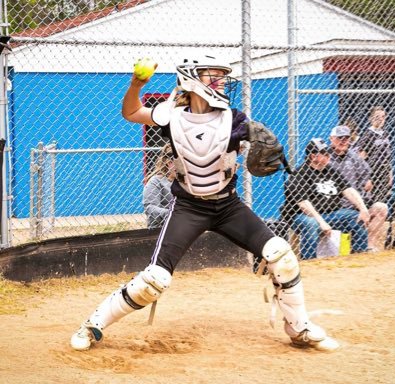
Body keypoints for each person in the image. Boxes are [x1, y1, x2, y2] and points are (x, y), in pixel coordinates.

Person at [70, 55, 338, 352]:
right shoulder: (171, 115)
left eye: (222, 76)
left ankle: (298, 327)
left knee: (281, 256)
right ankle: (93, 324)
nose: (221, 81)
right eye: (214, 75)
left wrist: (264, 147)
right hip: (188, 207)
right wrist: (136, 84)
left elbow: (262, 148)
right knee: (154, 279)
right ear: (191, 80)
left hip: (228, 206)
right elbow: (131, 112)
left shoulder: (234, 119)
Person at [281, 138, 370, 260]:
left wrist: (363, 208)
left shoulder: (331, 171)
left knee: (356, 217)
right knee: (311, 224)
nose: (329, 156)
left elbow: (348, 190)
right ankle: (310, 262)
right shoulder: (299, 174)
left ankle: (360, 257)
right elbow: (303, 205)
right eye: (325, 153)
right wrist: (321, 222)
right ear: (313, 156)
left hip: (331, 214)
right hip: (302, 216)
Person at [329, 125, 388, 252]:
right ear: (332, 139)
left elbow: (366, 179)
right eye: (340, 138)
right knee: (354, 216)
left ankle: (369, 245)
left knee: (381, 208)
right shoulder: (326, 158)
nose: (344, 141)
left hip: (356, 205)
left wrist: (366, 183)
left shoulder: (353, 157)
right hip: (335, 207)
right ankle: (358, 249)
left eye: (346, 138)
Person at [355, 105, 393, 204]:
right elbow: (360, 158)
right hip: (373, 171)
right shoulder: (368, 134)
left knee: (382, 201)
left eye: (383, 117)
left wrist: (390, 175)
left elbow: (387, 157)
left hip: (384, 171)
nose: (380, 119)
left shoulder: (385, 133)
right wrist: (366, 178)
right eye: (377, 117)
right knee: (373, 202)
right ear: (371, 118)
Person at [143, 143, 175, 229]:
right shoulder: (156, 181)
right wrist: (171, 214)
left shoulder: (188, 182)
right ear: (169, 163)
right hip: (160, 228)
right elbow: (150, 208)